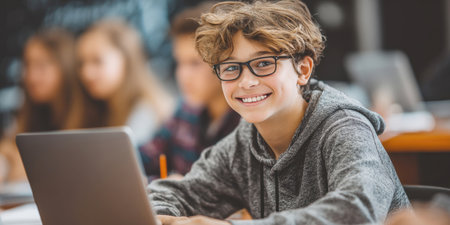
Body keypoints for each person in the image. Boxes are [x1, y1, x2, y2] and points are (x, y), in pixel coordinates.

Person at [148, 1, 410, 225]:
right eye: (230, 68)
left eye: (263, 64)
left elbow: (356, 212)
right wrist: (164, 218)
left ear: (303, 70)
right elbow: (171, 194)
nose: (246, 82)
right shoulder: (244, 143)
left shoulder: (344, 128)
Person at [139, 2, 240, 180]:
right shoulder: (185, 111)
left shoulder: (247, 123)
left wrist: (181, 186)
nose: (183, 75)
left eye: (194, 63)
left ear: (226, 63)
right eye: (179, 62)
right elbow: (143, 158)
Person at [0, 28, 84, 183]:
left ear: (65, 66)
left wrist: (16, 161)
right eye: (27, 65)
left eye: (42, 65)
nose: (31, 76)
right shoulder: (30, 114)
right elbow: (7, 153)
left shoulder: (91, 117)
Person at [76, 19, 173, 146]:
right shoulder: (99, 109)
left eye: (97, 61)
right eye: (81, 63)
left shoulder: (145, 112)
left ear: (126, 60)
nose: (86, 73)